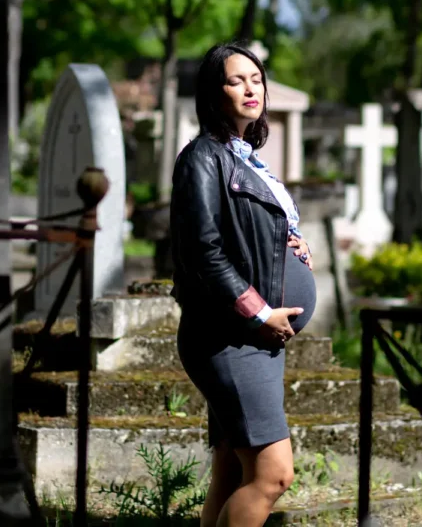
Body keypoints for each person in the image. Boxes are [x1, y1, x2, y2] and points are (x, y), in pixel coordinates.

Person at [170, 42, 318, 527]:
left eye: (256, 79)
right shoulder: (202, 158)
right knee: (273, 475)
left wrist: (291, 243)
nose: (250, 88)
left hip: (257, 340)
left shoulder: (247, 157)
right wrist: (259, 311)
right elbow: (203, 251)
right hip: (232, 336)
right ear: (214, 92)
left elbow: (252, 236)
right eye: (236, 80)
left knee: (231, 473)